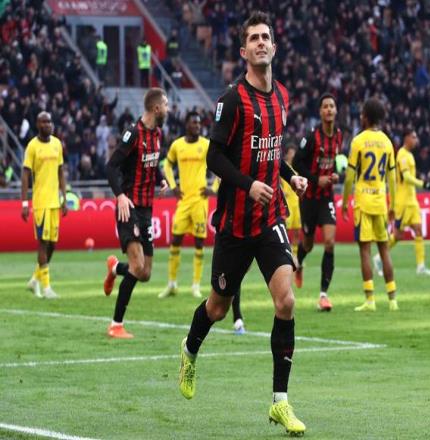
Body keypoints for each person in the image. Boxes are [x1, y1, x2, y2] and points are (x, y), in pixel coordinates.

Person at [178, 11, 308, 436]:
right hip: (235, 225)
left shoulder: (282, 96)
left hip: (270, 219)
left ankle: (280, 402)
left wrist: (291, 177)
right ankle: (189, 350)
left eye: (266, 36)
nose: (261, 43)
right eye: (253, 38)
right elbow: (215, 157)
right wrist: (248, 184)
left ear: (274, 46)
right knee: (217, 308)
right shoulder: (232, 100)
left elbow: (274, 150)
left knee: (286, 302)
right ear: (243, 51)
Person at [103, 88, 169, 339]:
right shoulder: (133, 133)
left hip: (147, 209)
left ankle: (114, 269)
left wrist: (160, 179)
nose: (168, 109)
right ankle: (115, 325)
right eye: (165, 105)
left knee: (145, 273)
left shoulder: (158, 134)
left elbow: (152, 163)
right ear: (156, 108)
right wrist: (120, 195)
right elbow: (111, 167)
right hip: (128, 207)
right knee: (137, 265)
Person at [341, 98, 399, 312]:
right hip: (381, 202)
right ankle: (392, 300)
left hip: (363, 203)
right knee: (384, 250)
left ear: (365, 117)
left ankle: (370, 299)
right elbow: (392, 178)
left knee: (365, 251)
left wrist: (345, 202)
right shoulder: (387, 142)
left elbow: (349, 177)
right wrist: (393, 205)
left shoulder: (358, 141)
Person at [158, 111, 217, 299]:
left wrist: (213, 188)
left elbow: (220, 165)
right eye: (194, 123)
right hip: (183, 201)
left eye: (199, 123)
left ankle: (196, 285)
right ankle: (172, 284)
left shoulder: (206, 145)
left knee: (199, 243)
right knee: (176, 240)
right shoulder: (177, 145)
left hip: (200, 201)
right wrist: (173, 186)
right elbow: (166, 166)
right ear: (187, 125)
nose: (197, 126)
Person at [292, 93, 342, 312]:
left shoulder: (339, 135)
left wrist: (334, 175)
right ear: (320, 112)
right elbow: (297, 162)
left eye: (332, 106)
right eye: (325, 106)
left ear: (336, 110)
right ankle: (298, 262)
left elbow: (332, 163)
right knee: (308, 244)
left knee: (329, 242)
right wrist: (315, 179)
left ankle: (323, 295)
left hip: (326, 197)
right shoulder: (312, 137)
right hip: (309, 199)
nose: (329, 109)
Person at [373, 128, 430, 276]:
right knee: (398, 235)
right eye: (413, 137)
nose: (416, 140)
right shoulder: (402, 155)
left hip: (412, 201)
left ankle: (421, 266)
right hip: (402, 202)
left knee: (418, 230)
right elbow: (406, 177)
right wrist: (424, 184)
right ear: (406, 138)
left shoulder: (409, 155)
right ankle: (378, 258)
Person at [21, 112, 67, 299]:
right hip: (40, 202)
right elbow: (25, 175)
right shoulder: (32, 146)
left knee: (52, 244)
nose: (48, 124)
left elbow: (61, 171)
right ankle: (47, 288)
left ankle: (35, 279)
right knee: (43, 243)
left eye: (49, 121)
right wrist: (25, 202)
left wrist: (64, 197)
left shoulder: (57, 144)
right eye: (44, 121)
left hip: (55, 202)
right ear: (38, 124)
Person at [281, 145, 301, 257]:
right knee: (286, 231)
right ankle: (286, 253)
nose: (293, 155)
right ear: (287, 154)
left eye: (294, 153)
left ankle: (295, 255)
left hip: (296, 203)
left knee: (297, 230)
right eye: (291, 153)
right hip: (287, 203)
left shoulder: (297, 168)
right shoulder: (283, 169)